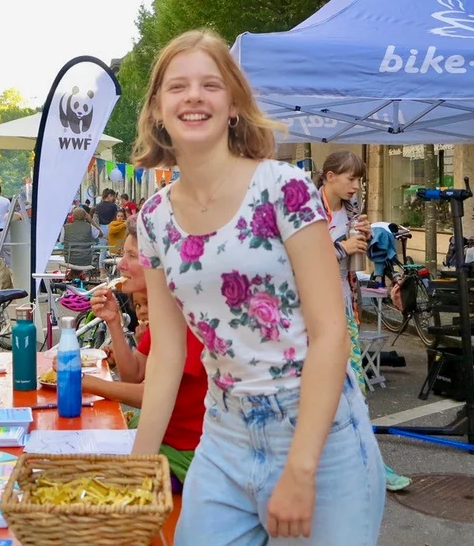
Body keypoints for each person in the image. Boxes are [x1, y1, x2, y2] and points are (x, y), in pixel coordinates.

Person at [130, 29, 384, 545]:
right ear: (157, 109)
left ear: (234, 106)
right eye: (178, 87)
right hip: (223, 434)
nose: (194, 96)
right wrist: (137, 467)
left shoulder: (282, 187)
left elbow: (331, 333)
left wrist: (301, 469)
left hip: (320, 433)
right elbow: (167, 353)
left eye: (211, 85)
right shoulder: (154, 217)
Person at [85, 215, 206, 493]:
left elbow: (151, 395)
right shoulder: (166, 308)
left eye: (131, 255)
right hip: (164, 440)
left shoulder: (186, 314)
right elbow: (134, 371)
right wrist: (114, 321)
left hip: (185, 455)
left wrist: (88, 384)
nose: (121, 264)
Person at [318, 150, 411, 492]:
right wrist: (343, 246)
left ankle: (369, 462)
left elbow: (354, 257)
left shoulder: (351, 210)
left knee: (353, 387)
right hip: (313, 313)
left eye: (359, 179)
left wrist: (366, 241)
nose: (356, 186)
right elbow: (300, 259)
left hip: (344, 308)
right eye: (350, 179)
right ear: (329, 176)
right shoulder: (309, 211)